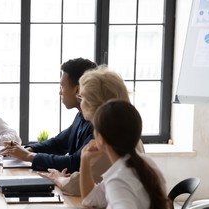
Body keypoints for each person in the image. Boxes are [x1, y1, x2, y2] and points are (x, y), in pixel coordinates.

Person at [71, 99, 175, 209]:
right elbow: (91, 199)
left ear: (100, 138)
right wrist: (85, 161)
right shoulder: (143, 163)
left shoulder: (118, 178)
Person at [39, 66, 145, 195]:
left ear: (93, 103)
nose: (80, 102)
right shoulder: (125, 131)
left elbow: (78, 187)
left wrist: (58, 178)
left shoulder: (109, 138)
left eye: (82, 98)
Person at [0, 58, 96, 172]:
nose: (60, 92)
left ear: (77, 90)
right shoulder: (80, 116)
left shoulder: (98, 123)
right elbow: (58, 143)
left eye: (62, 87)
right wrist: (26, 149)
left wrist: (28, 156)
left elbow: (75, 163)